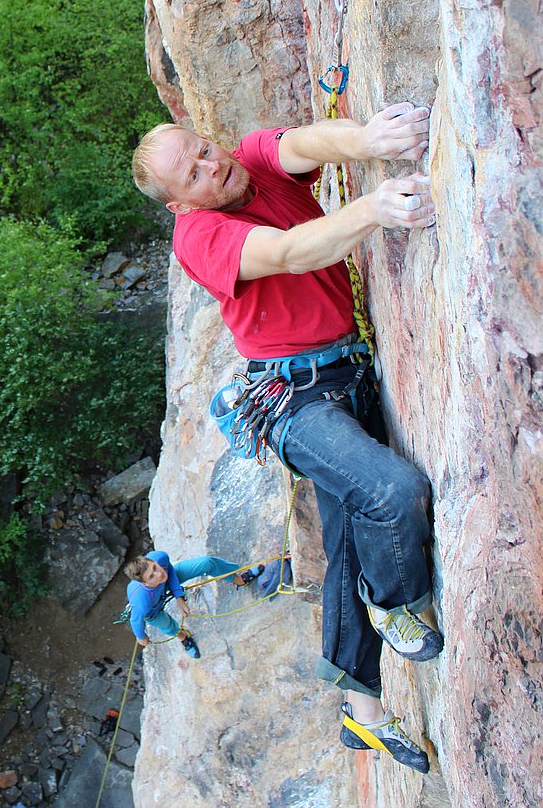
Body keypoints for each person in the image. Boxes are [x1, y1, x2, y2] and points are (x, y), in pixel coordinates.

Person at [130, 103, 441, 774]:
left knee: (350, 543)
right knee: (392, 491)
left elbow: (305, 141)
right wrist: (375, 210)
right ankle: (397, 608)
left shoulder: (249, 163)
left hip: (345, 373)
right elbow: (291, 251)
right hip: (296, 400)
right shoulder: (202, 237)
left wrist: (364, 140)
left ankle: (362, 713)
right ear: (179, 203)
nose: (215, 164)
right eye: (195, 172)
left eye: (206, 149)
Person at [124, 551, 260, 658]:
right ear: (145, 583)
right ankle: (183, 638)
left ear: (153, 561)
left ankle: (238, 580)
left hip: (167, 582)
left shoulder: (159, 557)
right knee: (167, 625)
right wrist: (141, 637)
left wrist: (178, 596)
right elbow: (136, 621)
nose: (159, 573)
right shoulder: (141, 603)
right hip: (153, 607)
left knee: (207, 563)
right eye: (151, 576)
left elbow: (169, 570)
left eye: (155, 567)